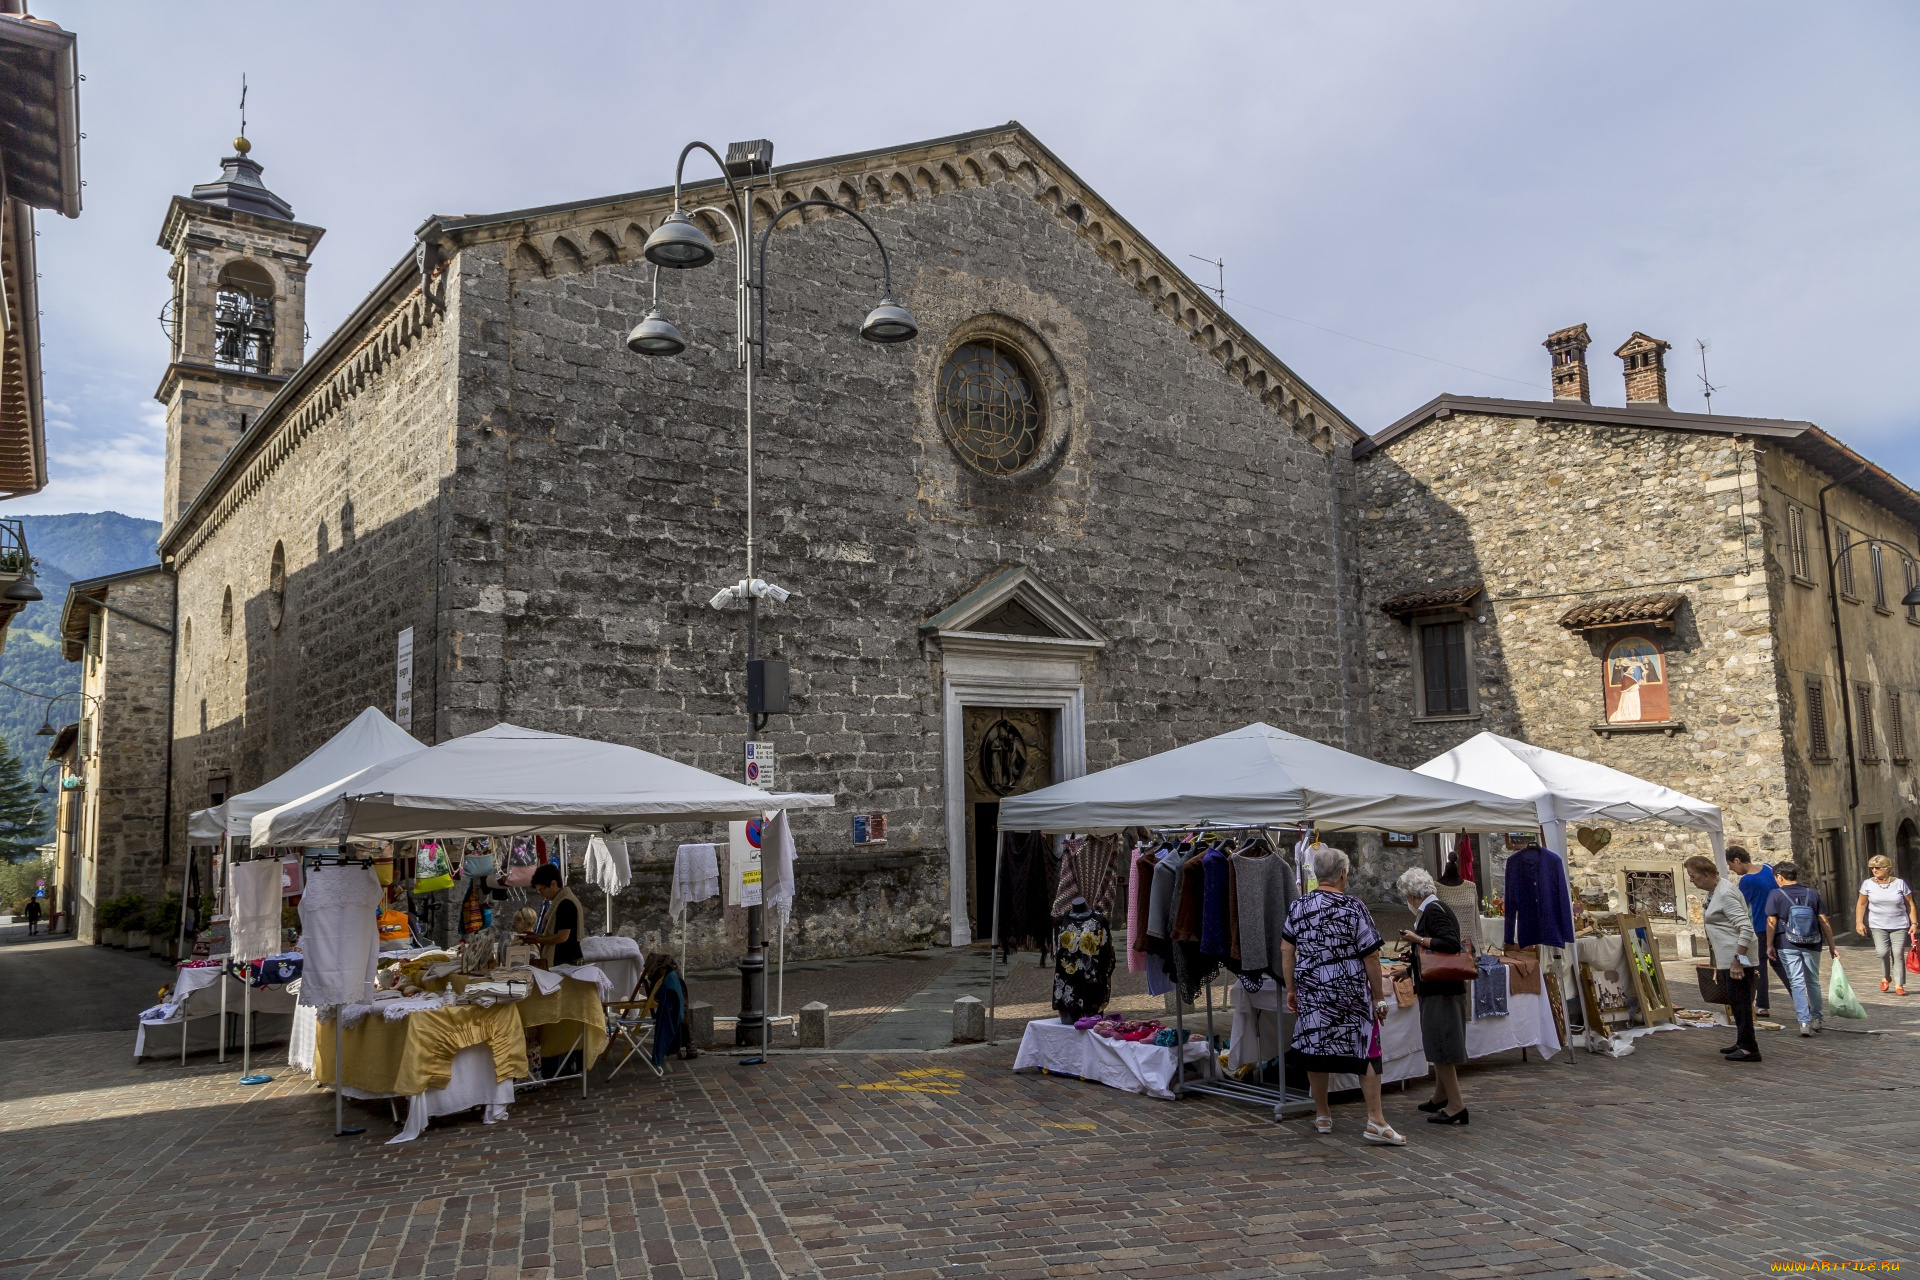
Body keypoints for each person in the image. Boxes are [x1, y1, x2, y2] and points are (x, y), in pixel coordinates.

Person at [1280, 844, 1405, 1146]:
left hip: (1312, 990)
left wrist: (1291, 989)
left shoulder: (1299, 906)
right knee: (1367, 1050)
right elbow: (1371, 955)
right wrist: (1378, 997)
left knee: (1315, 1048)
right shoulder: (1353, 906)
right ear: (1343, 874)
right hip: (1350, 993)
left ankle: (1323, 1114)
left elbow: (1286, 950)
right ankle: (1375, 1120)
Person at [1396, 866, 1469, 1125]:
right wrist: (1409, 971)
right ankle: (1441, 1096)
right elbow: (1434, 957)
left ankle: (1456, 1105)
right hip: (1438, 987)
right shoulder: (1432, 909)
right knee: (1438, 1043)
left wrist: (1418, 939)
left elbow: (1450, 944)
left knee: (1442, 1046)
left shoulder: (1434, 910)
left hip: (1443, 990)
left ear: (1412, 895)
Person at [1687, 854, 1760, 1062]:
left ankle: (1749, 1048)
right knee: (1735, 1002)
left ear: (1706, 874)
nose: (1692, 880)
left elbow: (1745, 928)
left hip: (1736, 957)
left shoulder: (1725, 893)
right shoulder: (1715, 891)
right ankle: (1742, 1041)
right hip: (1727, 957)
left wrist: (1738, 960)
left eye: (1693, 876)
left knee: (1741, 1002)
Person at [1763, 859, 1837, 1036]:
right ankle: (1817, 1019)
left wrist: (1769, 945)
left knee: (1796, 982)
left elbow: (1771, 921)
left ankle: (1804, 1022)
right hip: (1812, 942)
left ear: (1780, 877)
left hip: (1787, 942)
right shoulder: (1812, 894)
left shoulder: (1776, 894)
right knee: (1813, 981)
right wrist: (1832, 946)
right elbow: (1824, 921)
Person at [1726, 848, 1792, 1019]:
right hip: (1779, 924)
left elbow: (1742, 904)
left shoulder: (1747, 880)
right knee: (1780, 964)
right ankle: (1800, 999)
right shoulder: (1769, 868)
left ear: (1737, 860)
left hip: (1761, 926)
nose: (1732, 869)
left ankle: (1762, 1006)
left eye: (1731, 865)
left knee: (1760, 966)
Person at [1855, 854, 1917, 996]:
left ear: (1887, 868)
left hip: (1899, 924)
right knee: (1882, 952)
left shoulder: (1900, 884)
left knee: (1898, 953)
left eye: (1878, 868)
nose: (1874, 870)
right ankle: (1885, 976)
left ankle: (1899, 984)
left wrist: (1914, 923)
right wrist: (1859, 922)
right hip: (1877, 924)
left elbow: (1910, 904)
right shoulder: (1867, 884)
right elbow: (1861, 904)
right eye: (1872, 868)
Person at [519, 864, 584, 968]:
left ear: (553, 884)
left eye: (542, 889)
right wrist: (537, 937)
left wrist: (538, 939)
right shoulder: (562, 901)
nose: (541, 894)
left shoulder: (565, 903)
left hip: (566, 963)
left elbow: (562, 937)